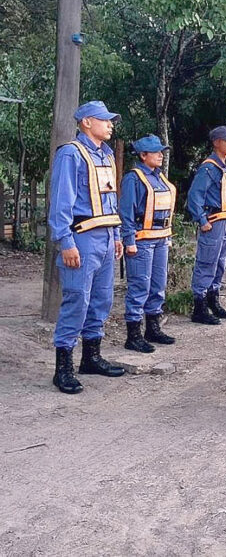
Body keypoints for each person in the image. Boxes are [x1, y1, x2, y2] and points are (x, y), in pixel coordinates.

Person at [48, 101, 126, 394]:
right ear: (86, 123)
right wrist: (65, 241)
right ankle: (63, 367)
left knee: (102, 299)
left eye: (111, 120)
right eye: (104, 120)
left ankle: (91, 357)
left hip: (106, 237)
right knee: (76, 299)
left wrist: (117, 234)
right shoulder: (72, 153)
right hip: (82, 237)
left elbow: (110, 198)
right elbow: (61, 202)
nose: (110, 125)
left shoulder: (106, 154)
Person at [119, 135, 176, 353]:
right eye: (156, 152)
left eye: (162, 151)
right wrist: (129, 241)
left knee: (157, 285)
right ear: (143, 155)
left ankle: (152, 328)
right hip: (142, 241)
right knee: (139, 286)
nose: (161, 155)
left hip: (160, 238)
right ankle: (133, 335)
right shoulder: (134, 178)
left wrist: (167, 237)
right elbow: (126, 212)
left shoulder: (159, 177)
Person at [186, 125, 226, 325]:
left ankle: (213, 301)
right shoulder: (209, 167)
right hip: (214, 222)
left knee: (220, 263)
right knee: (207, 262)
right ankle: (199, 306)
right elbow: (195, 195)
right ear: (216, 143)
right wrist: (202, 219)